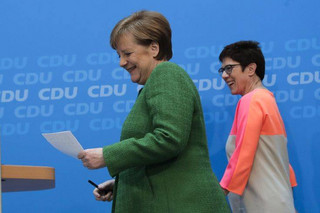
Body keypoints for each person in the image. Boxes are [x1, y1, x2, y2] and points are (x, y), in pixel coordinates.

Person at [78, 10, 230, 212]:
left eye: (127, 53)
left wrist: (108, 155)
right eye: (119, 55)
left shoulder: (166, 73)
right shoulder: (151, 85)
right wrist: (122, 184)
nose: (121, 62)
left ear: (154, 48)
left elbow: (169, 138)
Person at [218, 40, 297, 212]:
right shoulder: (266, 99)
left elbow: (243, 154)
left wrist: (219, 192)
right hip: (278, 201)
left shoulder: (252, 100)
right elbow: (282, 161)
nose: (224, 75)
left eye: (229, 68)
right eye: (222, 70)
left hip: (263, 203)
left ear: (251, 69)